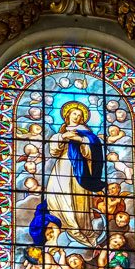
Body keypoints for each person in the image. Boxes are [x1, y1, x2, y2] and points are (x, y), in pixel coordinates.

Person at [46, 101, 107, 245]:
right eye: (74, 113)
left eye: (80, 115)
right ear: (67, 115)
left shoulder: (87, 134)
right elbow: (54, 151)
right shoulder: (62, 131)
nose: (77, 117)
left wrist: (80, 140)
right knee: (58, 197)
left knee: (78, 202)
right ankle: (69, 228)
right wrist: (63, 137)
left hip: (80, 170)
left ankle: (84, 231)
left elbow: (94, 151)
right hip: (62, 167)